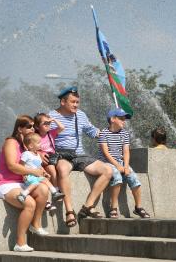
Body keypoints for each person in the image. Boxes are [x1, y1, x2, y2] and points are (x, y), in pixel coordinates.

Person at [47, 86, 113, 227]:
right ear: (63, 102)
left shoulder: (80, 115)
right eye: (73, 102)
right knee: (63, 170)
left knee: (107, 170)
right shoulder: (51, 117)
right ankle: (69, 211)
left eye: (77, 102)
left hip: (79, 154)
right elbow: (42, 137)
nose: (76, 105)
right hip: (62, 154)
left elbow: (91, 131)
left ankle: (88, 206)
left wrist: (108, 134)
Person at [0, 115, 49, 252]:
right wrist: (34, 172)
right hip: (6, 184)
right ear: (20, 128)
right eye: (29, 126)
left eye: (33, 126)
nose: (33, 128)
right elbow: (12, 166)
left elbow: (30, 165)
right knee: (30, 203)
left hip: (22, 183)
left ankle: (35, 224)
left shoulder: (26, 146)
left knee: (43, 189)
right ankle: (20, 243)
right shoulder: (11, 142)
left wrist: (41, 171)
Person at [99, 108, 151, 219]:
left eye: (125, 119)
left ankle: (138, 207)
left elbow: (126, 151)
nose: (124, 121)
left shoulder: (124, 134)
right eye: (121, 118)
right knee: (117, 177)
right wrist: (118, 166)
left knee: (134, 178)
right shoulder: (104, 133)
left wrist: (126, 166)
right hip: (107, 162)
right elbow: (106, 153)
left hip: (121, 161)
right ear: (113, 119)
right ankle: (113, 207)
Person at [17, 133, 65, 205]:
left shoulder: (38, 155)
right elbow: (21, 165)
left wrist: (45, 173)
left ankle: (54, 193)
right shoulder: (26, 154)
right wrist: (24, 175)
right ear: (31, 146)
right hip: (29, 176)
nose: (41, 144)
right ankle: (23, 195)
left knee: (45, 180)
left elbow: (39, 166)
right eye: (38, 143)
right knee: (35, 183)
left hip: (37, 176)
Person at [34, 113, 65, 210]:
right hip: (43, 158)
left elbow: (62, 127)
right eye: (45, 123)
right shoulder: (35, 136)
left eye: (49, 123)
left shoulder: (50, 133)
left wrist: (54, 120)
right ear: (37, 127)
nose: (48, 125)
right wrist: (39, 152)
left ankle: (55, 189)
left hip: (53, 156)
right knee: (51, 169)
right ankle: (55, 190)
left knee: (59, 168)